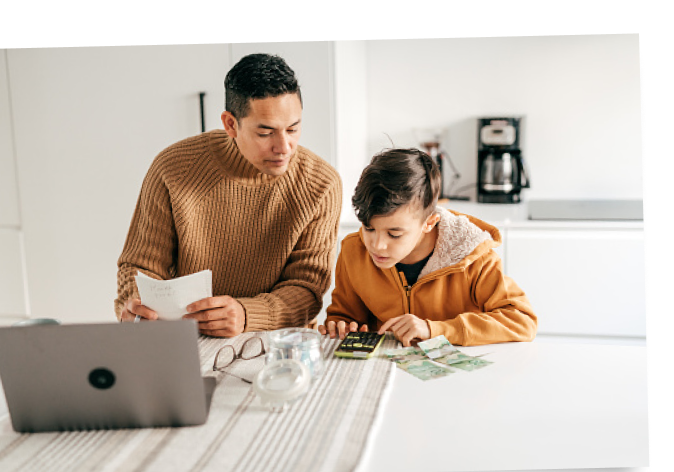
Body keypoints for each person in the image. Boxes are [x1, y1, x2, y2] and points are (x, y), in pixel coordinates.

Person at [115, 53, 342, 337]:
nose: (284, 146)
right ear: (231, 124)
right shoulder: (173, 168)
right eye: (266, 132)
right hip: (187, 340)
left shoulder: (321, 183)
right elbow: (140, 266)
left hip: (281, 344)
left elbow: (307, 289)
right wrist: (136, 306)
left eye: (293, 129)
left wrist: (247, 315)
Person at [320, 147, 536, 347]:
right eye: (368, 228)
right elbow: (345, 316)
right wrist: (340, 324)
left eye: (394, 234)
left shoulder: (473, 257)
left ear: (429, 223)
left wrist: (435, 330)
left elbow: (522, 320)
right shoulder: (353, 251)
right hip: (387, 376)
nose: (377, 246)